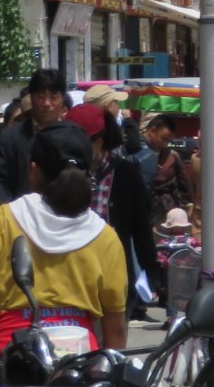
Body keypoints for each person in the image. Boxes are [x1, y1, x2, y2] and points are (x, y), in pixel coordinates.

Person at [0, 122, 128, 384]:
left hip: (8, 355)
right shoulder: (105, 235)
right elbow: (115, 326)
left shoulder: (5, 217)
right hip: (79, 364)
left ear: (33, 170)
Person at [66, 105, 157, 320]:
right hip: (70, 279)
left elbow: (141, 226)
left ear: (99, 141)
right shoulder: (61, 172)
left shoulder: (125, 172)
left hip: (112, 277)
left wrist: (150, 271)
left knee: (109, 348)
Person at [0, 69, 69, 208]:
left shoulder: (73, 137)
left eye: (53, 97)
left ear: (63, 99)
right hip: (18, 219)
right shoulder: (9, 137)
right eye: (40, 96)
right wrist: (10, 215)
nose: (46, 103)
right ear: (32, 98)